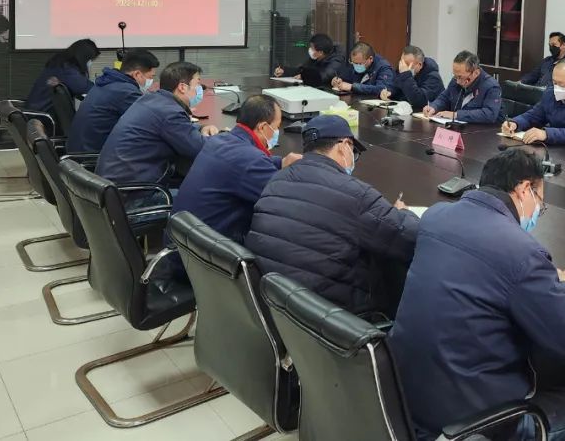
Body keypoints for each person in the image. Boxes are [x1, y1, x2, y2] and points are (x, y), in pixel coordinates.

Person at [390, 147, 565, 441]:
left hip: (405, 402)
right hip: (473, 426)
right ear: (524, 189)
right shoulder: (522, 252)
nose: (537, 212)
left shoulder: (436, 217)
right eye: (540, 203)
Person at [245, 114, 418, 316]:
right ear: (344, 145)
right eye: (354, 151)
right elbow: (410, 237)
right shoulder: (355, 194)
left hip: (272, 307)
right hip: (329, 319)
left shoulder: (277, 179)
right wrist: (404, 212)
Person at [170, 95, 302, 248]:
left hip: (182, 240)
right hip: (208, 251)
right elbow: (284, 202)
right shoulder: (251, 160)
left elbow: (241, 163)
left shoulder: (219, 140)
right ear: (263, 127)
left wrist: (280, 162)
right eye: (277, 127)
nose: (277, 132)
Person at [96, 61, 219, 188]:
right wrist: (225, 136)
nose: (200, 89)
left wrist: (201, 128)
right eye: (198, 84)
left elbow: (173, 127)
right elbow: (200, 148)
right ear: (182, 87)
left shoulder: (152, 100)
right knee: (209, 193)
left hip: (114, 185)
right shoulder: (170, 112)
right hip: (136, 192)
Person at [66, 48, 160, 153]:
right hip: (92, 156)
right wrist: (160, 96)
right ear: (137, 74)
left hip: (80, 150)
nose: (151, 81)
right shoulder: (125, 91)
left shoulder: (109, 82)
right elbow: (151, 122)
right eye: (151, 77)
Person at [24, 38, 100, 114]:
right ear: (83, 57)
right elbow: (84, 87)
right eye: (90, 59)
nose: (90, 62)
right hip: (43, 113)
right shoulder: (67, 68)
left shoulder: (60, 62)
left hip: (40, 108)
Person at [424, 50, 502, 123]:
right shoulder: (456, 80)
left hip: (484, 130)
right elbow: (445, 97)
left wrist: (456, 115)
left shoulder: (491, 87)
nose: (457, 81)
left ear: (476, 73)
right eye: (455, 76)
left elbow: (489, 114)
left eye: (460, 77)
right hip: (459, 126)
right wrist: (434, 107)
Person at [381, 44, 444, 110]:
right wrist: (389, 92)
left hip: (426, 114)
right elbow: (396, 87)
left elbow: (418, 101)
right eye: (402, 62)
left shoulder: (433, 78)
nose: (403, 66)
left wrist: (406, 75)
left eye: (407, 64)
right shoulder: (402, 70)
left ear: (419, 65)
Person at [272, 33, 347, 87]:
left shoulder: (336, 61)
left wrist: (305, 76)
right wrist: (284, 71)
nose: (310, 50)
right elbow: (302, 69)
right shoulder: (316, 57)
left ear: (320, 52)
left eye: (312, 48)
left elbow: (324, 76)